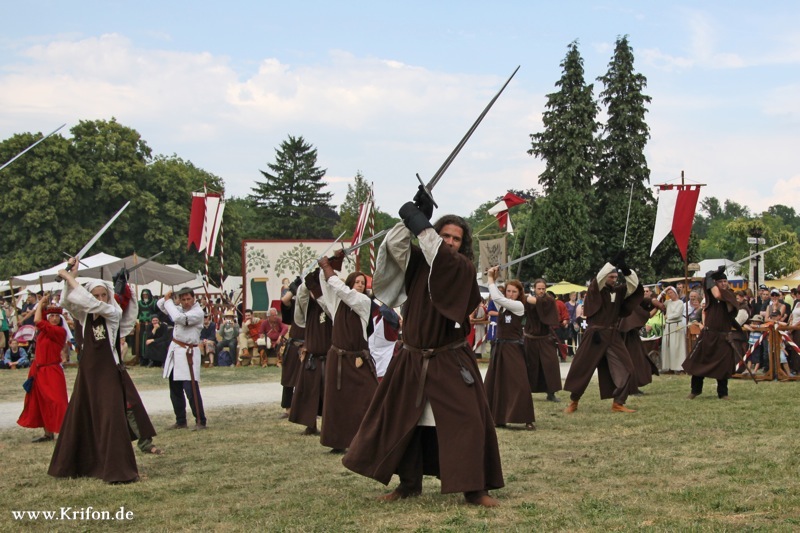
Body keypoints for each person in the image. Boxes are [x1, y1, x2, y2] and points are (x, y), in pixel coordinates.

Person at [343, 191, 503, 508]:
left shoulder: (461, 268)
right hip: (412, 357)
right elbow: (395, 247)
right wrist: (410, 221)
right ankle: (408, 483)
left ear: (462, 245)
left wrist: (422, 225)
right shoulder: (419, 263)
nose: (450, 242)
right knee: (405, 421)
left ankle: (474, 489)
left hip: (450, 358)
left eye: (456, 238)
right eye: (445, 235)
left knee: (469, 420)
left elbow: (439, 254)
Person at [49, 262, 158, 483]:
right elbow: (67, 301)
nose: (100, 299)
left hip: (108, 372)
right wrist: (72, 276)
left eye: (103, 295)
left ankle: (118, 470)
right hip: (88, 374)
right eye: (96, 295)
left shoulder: (113, 312)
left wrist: (69, 278)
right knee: (82, 415)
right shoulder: (84, 316)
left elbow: (91, 303)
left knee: (111, 417)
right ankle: (82, 465)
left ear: (108, 296)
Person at [563, 253, 643, 414]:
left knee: (627, 367)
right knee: (583, 367)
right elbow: (598, 279)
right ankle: (574, 401)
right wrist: (611, 263)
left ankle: (618, 402)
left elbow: (634, 286)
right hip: (595, 335)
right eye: (610, 277)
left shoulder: (619, 291)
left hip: (613, 335)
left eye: (615, 277)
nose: (613, 280)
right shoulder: (597, 290)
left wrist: (626, 270)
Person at [317, 254, 379, 452]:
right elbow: (327, 284)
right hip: (338, 357)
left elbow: (342, 290)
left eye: (363, 283)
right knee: (336, 402)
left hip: (359, 358)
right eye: (357, 282)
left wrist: (328, 267)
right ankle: (338, 442)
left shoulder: (363, 301)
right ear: (350, 282)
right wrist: (331, 265)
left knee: (369, 398)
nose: (360, 285)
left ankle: (368, 440)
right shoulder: (337, 303)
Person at [683, 267, 748, 400]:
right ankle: (695, 390)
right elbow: (711, 290)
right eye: (720, 281)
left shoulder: (729, 294)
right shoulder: (710, 296)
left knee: (723, 365)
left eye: (725, 281)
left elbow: (718, 295)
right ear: (716, 283)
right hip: (708, 335)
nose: (723, 283)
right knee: (699, 363)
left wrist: (711, 278)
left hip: (723, 336)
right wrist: (709, 277)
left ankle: (723, 393)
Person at [483, 267, 535, 430]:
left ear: (519, 294)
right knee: (496, 383)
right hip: (500, 348)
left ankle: (526, 418)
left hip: (513, 348)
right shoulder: (502, 305)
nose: (510, 294)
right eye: (508, 291)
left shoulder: (518, 305)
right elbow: (497, 297)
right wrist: (494, 279)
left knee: (520, 382)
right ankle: (497, 418)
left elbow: (497, 297)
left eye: (514, 292)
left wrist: (490, 279)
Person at [17, 296, 68, 442]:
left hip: (52, 370)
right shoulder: (45, 330)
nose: (54, 318)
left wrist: (39, 303)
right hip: (38, 370)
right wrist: (44, 304)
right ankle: (48, 433)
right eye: (51, 316)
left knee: (58, 401)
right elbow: (41, 318)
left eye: (56, 316)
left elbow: (37, 320)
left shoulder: (59, 331)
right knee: (41, 401)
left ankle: (66, 431)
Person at [289, 270, 333, 436]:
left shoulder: (331, 306)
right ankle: (310, 424)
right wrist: (306, 283)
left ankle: (328, 426)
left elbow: (328, 308)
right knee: (309, 393)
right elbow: (301, 298)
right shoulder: (309, 308)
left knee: (328, 395)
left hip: (328, 356)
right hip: (312, 357)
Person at [158, 287, 207, 430]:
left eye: (188, 299)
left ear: (194, 298)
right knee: (175, 388)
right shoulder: (180, 309)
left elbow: (177, 318)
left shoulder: (197, 313)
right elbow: (160, 305)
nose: (186, 302)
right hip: (176, 351)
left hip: (188, 352)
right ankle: (180, 420)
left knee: (190, 389)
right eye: (183, 299)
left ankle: (200, 420)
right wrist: (170, 297)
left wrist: (169, 302)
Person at [521, 278, 561, 402]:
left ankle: (551, 393)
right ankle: (526, 392)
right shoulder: (528, 299)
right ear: (535, 288)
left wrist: (526, 297)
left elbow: (537, 302)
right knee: (529, 366)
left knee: (550, 364)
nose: (541, 291)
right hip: (530, 339)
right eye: (539, 289)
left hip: (545, 339)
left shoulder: (549, 300)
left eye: (543, 288)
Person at [619, 286, 663, 395]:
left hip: (631, 336)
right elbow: (648, 315)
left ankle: (633, 386)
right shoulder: (630, 305)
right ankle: (630, 388)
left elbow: (645, 301)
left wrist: (654, 301)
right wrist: (658, 307)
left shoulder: (629, 302)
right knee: (633, 362)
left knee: (637, 361)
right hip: (628, 337)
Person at [279, 277, 305, 418]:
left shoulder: (314, 306)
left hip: (307, 345)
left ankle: (306, 408)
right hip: (294, 344)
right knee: (288, 378)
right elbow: (285, 300)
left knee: (307, 379)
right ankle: (288, 409)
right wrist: (293, 288)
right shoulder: (295, 304)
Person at [660, 286, 688, 373]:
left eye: (671, 292)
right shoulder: (668, 302)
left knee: (676, 346)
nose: (669, 294)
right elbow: (658, 300)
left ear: (675, 293)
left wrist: (667, 316)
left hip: (676, 326)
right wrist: (664, 291)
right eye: (668, 293)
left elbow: (677, 314)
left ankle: (678, 367)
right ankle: (667, 367)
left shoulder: (680, 302)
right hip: (668, 326)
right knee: (667, 346)